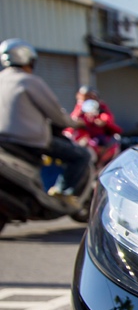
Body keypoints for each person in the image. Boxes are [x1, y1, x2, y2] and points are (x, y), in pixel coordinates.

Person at [0, 38, 91, 198]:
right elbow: (57, 116)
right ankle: (62, 193)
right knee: (81, 156)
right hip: (30, 141)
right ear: (28, 59)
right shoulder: (30, 81)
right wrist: (75, 123)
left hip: (4, 141)